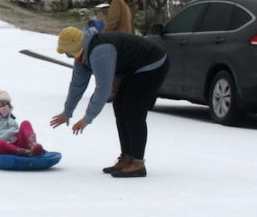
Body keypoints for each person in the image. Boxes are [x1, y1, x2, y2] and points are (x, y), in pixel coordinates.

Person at [50, 26, 168, 178]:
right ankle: (127, 158)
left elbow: (103, 89)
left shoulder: (100, 52)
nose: (69, 56)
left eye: (69, 53)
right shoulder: (81, 56)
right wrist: (67, 112)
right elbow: (77, 85)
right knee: (119, 106)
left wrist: (88, 118)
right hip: (133, 68)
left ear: (77, 47)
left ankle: (137, 163)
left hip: (153, 64)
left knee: (132, 110)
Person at [0, 89, 45, 161]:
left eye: (7, 103)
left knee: (25, 123)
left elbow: (20, 133)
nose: (5, 106)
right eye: (1, 103)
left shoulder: (11, 120)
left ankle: (33, 146)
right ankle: (25, 152)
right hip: (5, 148)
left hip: (18, 143)